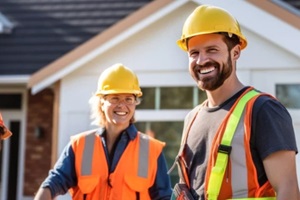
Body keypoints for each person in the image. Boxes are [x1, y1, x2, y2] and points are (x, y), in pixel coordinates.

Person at [171, 4, 300, 200]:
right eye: (194, 53)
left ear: (236, 52)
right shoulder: (192, 119)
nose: (201, 60)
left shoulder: (263, 110)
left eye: (212, 50)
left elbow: (288, 189)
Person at [34, 63, 172, 200]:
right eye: (115, 98)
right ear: (101, 102)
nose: (122, 105)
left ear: (135, 103)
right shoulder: (81, 146)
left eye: (128, 99)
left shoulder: (150, 150)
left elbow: (164, 196)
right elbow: (54, 183)